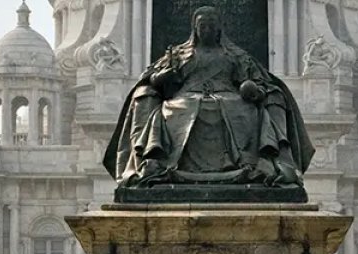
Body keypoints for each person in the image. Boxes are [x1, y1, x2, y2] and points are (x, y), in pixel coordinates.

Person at [103, 6, 312, 190]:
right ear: (195, 28)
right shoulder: (178, 54)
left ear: (219, 29)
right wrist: (164, 77)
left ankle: (256, 164)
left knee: (239, 109)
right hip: (185, 98)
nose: (207, 30)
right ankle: (154, 162)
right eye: (202, 26)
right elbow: (153, 79)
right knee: (180, 107)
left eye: (211, 26)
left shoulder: (235, 55)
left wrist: (253, 90)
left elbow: (254, 81)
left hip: (229, 97)